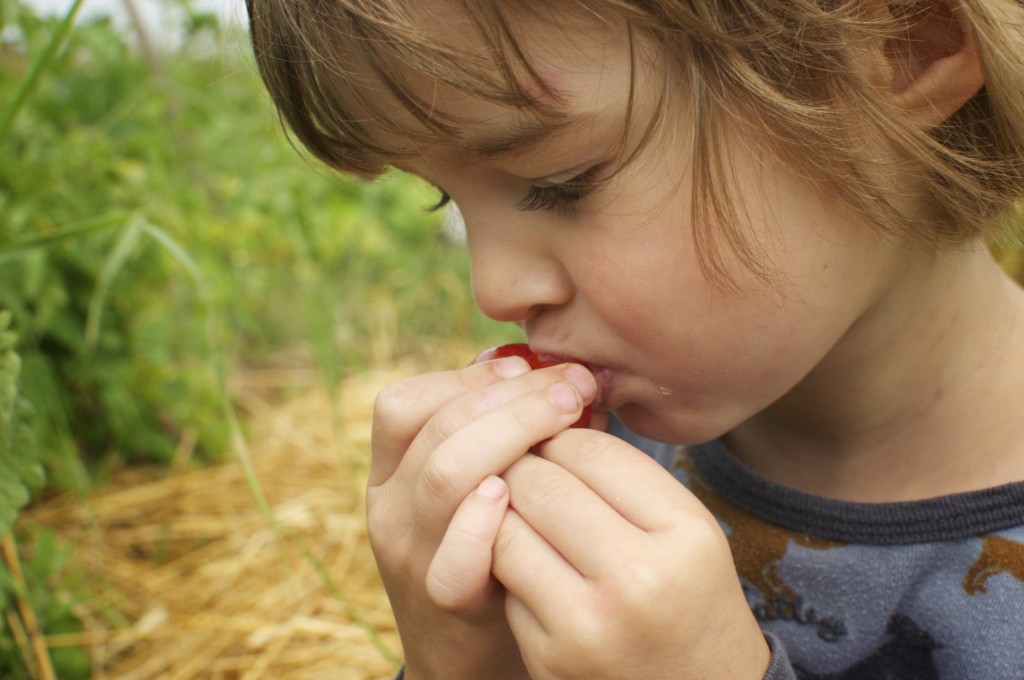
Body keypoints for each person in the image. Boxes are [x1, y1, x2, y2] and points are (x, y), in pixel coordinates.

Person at [244, 0, 1024, 677]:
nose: (495, 290)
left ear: (902, 45)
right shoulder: (574, 478)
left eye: (561, 182)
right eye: (446, 199)